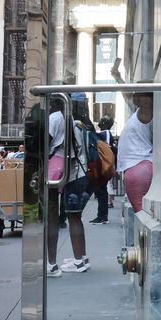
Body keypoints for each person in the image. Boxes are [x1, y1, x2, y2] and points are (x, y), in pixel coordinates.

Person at [44, 95, 92, 276]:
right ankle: (80, 259)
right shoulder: (69, 118)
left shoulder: (55, 117)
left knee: (52, 217)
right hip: (70, 167)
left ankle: (51, 264)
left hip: (54, 166)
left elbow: (46, 143)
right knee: (74, 217)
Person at [89, 116, 115, 224]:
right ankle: (102, 215)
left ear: (104, 123)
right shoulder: (104, 133)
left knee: (102, 190)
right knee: (101, 190)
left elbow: (106, 149)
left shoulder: (105, 133)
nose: (99, 122)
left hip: (102, 165)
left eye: (101, 120)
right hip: (102, 165)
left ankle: (102, 216)